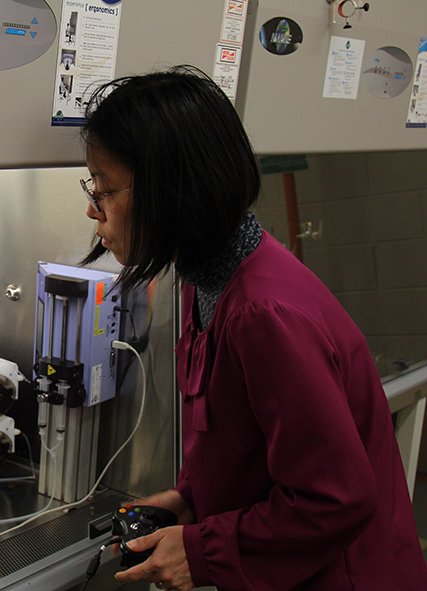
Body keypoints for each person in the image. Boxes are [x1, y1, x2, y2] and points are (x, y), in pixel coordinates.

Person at [79, 66, 427, 590]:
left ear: (169, 192)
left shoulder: (263, 315)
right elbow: (237, 438)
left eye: (103, 189)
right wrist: (188, 496)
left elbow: (335, 499)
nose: (92, 209)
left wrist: (202, 552)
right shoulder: (206, 280)